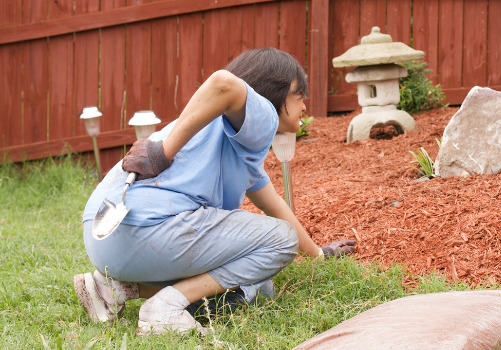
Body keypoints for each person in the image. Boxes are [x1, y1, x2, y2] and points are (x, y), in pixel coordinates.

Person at [73, 48, 356, 335]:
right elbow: (224, 82)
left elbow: (276, 206)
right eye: (299, 94)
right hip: (147, 231)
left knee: (260, 285)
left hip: (105, 236)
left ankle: (115, 288)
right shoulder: (262, 119)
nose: (305, 105)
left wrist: (319, 254)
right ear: (272, 93)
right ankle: (165, 309)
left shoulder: (224, 138)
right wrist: (164, 152)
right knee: (280, 241)